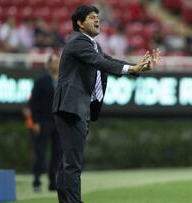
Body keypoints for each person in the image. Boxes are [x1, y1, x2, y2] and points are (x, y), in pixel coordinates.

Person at [52, 5, 160, 203]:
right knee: (72, 163)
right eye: (92, 17)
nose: (97, 20)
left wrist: (138, 68)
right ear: (79, 23)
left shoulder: (92, 44)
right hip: (71, 107)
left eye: (97, 17)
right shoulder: (77, 42)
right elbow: (99, 62)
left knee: (68, 161)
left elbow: (108, 60)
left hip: (78, 108)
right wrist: (132, 68)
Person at [28, 54, 62, 192]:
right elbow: (33, 102)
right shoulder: (41, 81)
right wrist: (35, 121)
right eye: (53, 62)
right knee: (40, 151)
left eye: (58, 62)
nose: (56, 65)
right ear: (48, 65)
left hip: (59, 122)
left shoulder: (64, 80)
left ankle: (52, 181)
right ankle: (36, 180)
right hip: (44, 121)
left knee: (57, 153)